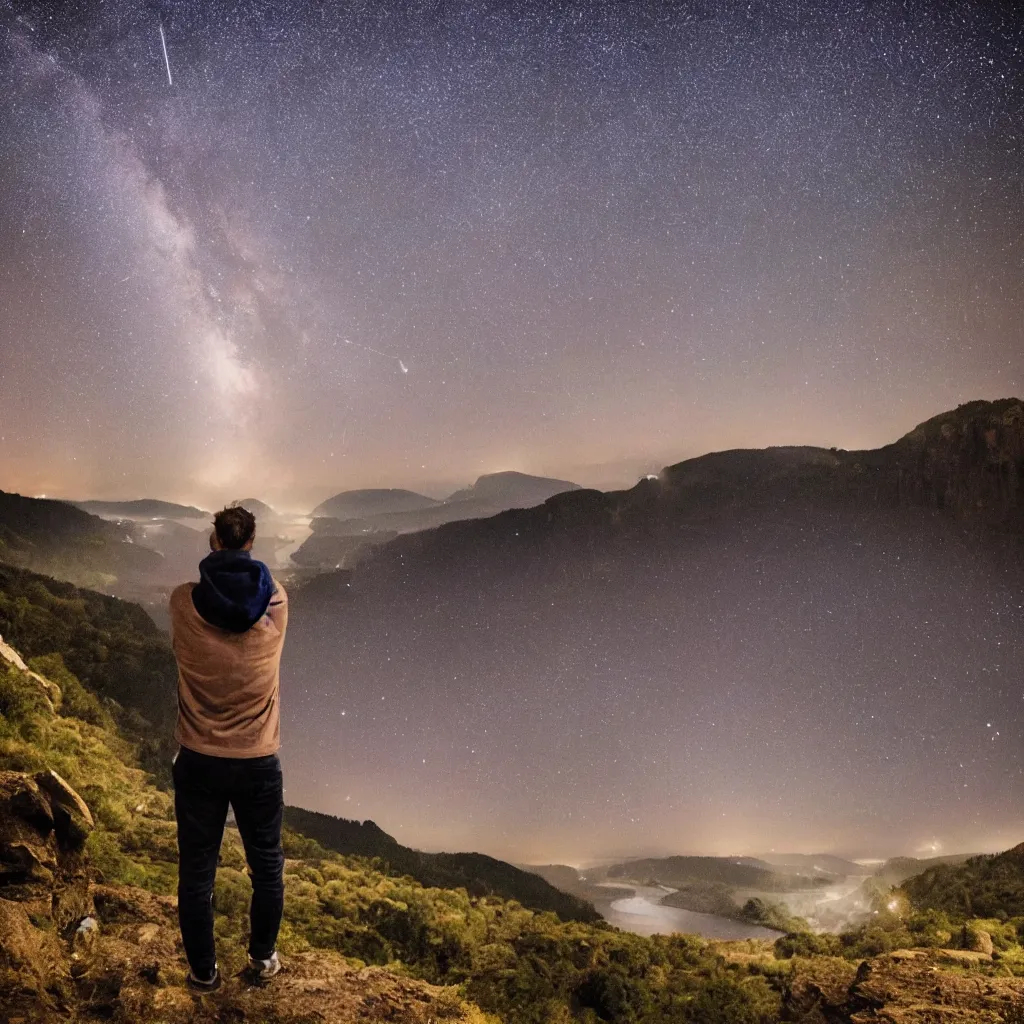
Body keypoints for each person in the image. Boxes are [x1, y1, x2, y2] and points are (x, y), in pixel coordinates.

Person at [168, 504, 289, 992]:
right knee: (267, 866)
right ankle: (261, 961)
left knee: (197, 871)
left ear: (213, 540)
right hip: (258, 759)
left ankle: (203, 973)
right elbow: (255, 594)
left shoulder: (181, 602)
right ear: (251, 543)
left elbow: (201, 600)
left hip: (198, 758)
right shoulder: (277, 603)